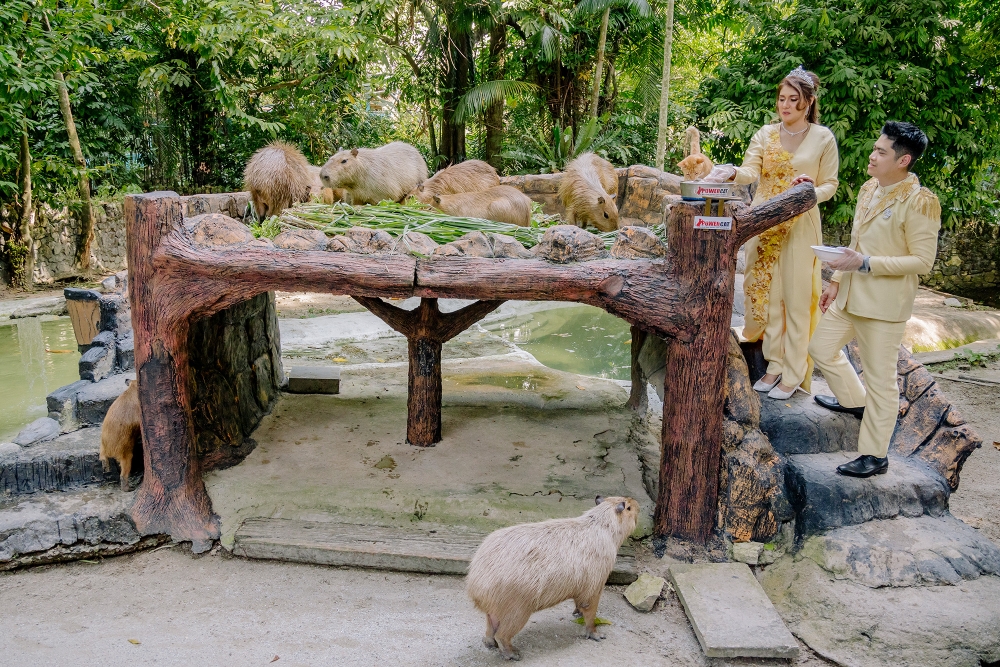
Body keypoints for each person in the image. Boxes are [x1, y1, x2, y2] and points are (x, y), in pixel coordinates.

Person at [808, 121, 941, 478]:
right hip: (850, 295)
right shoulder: (870, 187)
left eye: (881, 151)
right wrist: (836, 279)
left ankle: (875, 456)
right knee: (820, 349)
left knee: (882, 382)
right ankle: (854, 401)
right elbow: (857, 243)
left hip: (884, 307)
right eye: (875, 147)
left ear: (903, 160)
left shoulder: (920, 202)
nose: (872, 154)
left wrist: (866, 264)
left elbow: (922, 262)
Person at [730, 66, 840, 400]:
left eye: (794, 100)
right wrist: (731, 171)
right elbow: (751, 171)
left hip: (800, 224)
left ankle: (794, 372)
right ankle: (774, 365)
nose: (786, 105)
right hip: (763, 222)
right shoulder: (764, 134)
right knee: (767, 296)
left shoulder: (823, 138)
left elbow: (830, 185)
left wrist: (810, 191)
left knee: (795, 299)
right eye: (781, 99)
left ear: (808, 103)